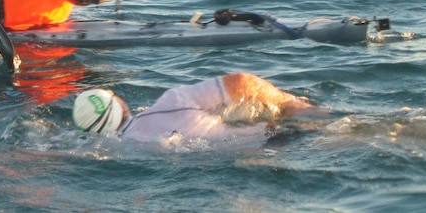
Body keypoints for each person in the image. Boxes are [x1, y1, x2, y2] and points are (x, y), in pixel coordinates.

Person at [72, 73, 317, 143]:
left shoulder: (121, 147)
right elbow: (241, 82)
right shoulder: (171, 102)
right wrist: (289, 103)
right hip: (275, 138)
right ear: (119, 104)